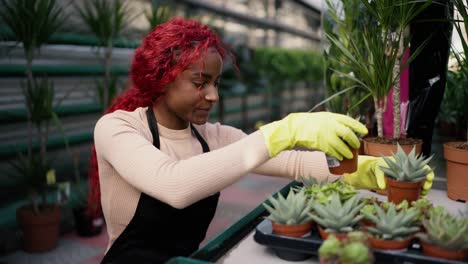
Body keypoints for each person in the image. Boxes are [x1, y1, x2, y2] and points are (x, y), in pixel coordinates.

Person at [89, 18, 433, 263]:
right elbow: (173, 184)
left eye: (216, 83)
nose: (212, 96)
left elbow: (293, 161)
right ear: (162, 79)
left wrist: (364, 169)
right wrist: (286, 129)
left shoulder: (213, 136)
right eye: (200, 82)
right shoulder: (117, 129)